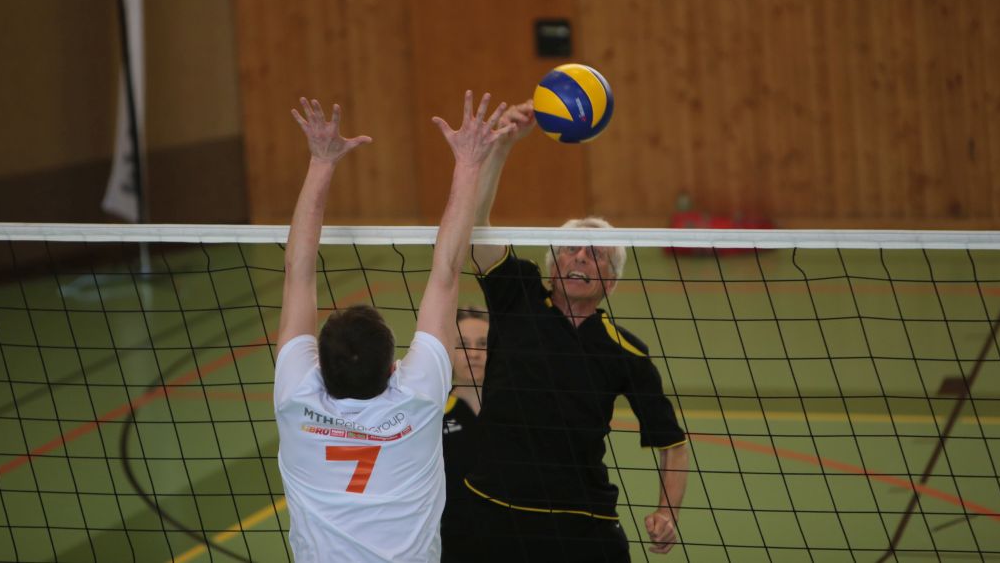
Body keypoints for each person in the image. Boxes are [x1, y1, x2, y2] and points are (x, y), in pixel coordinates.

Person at [273, 92, 513, 562]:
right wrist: (468, 163)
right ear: (391, 369)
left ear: (320, 366)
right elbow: (446, 272)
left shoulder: (297, 397)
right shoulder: (417, 399)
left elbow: (296, 272)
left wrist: (320, 162)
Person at [463, 98, 690, 562]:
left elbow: (673, 443)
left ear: (610, 282)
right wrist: (502, 148)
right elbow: (477, 226)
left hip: (582, 519)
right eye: (571, 248)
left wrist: (668, 512)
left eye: (596, 253)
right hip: (492, 507)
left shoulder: (626, 352)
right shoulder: (517, 294)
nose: (582, 256)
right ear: (552, 264)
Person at [440, 306, 489, 562]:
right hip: (452, 545)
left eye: (483, 344)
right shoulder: (434, 414)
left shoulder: (515, 411)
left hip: (512, 542)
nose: (474, 353)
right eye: (463, 344)